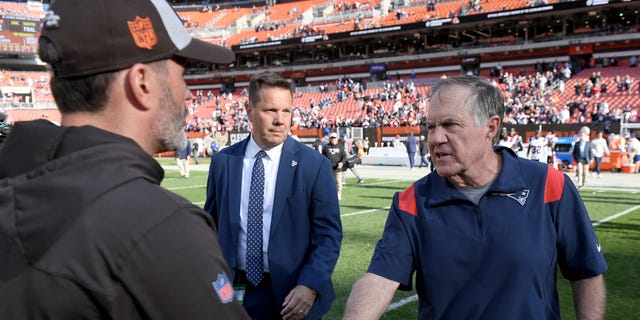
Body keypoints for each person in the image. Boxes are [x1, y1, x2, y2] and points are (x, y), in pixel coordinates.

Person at [0, 0, 249, 319]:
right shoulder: (163, 227)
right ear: (142, 82)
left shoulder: (13, 186)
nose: (188, 93)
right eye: (183, 72)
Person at [344, 75, 607, 319]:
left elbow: (586, 271)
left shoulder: (549, 184)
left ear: (491, 127)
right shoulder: (411, 202)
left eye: (450, 125)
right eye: (430, 126)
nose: (435, 138)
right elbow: (379, 280)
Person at [204, 71, 342, 320]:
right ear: (249, 110)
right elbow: (209, 228)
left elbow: (328, 236)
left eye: (286, 111)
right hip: (234, 290)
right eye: (270, 110)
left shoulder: (315, 165)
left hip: (294, 293)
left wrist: (310, 285)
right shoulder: (224, 162)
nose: (280, 120)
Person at [323, 132, 348, 200]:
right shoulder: (326, 147)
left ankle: (339, 193)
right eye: (332, 138)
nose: (333, 139)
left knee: (338, 182)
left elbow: (344, 156)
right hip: (328, 168)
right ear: (330, 139)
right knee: (329, 182)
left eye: (334, 138)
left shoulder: (341, 147)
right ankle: (330, 194)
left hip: (337, 168)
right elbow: (323, 157)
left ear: (337, 138)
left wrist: (342, 163)